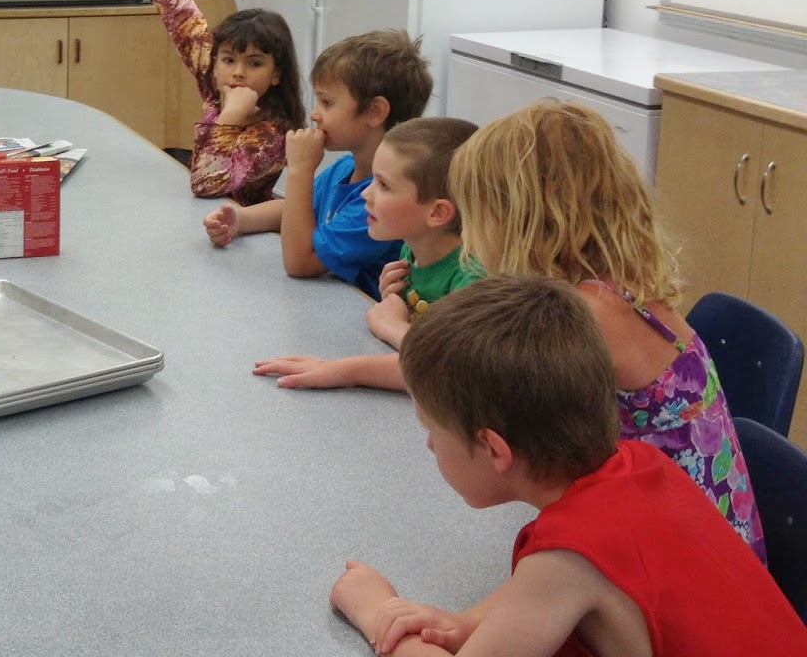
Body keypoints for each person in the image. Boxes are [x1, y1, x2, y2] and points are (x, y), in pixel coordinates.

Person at [329, 275, 807, 656]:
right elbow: (537, 595)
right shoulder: (640, 461)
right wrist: (468, 623)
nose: (430, 446)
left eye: (432, 429)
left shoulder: (570, 558)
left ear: (495, 449)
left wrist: (377, 612)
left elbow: (553, 580)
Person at [450, 99, 764, 562]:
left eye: (473, 216)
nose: (467, 238)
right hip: (699, 531)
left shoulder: (585, 314)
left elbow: (468, 387)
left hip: (687, 560)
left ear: (519, 217)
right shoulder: (617, 286)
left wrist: (394, 329)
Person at [253, 117, 483, 389]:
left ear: (437, 213)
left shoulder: (474, 281)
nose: (366, 194)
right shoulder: (411, 250)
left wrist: (389, 331)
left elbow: (450, 373)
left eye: (384, 185)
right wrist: (395, 304)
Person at [203, 29, 432, 298]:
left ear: (375, 111)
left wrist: (300, 170)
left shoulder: (381, 200)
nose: (314, 114)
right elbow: (296, 207)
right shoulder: (345, 168)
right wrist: (241, 219)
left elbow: (300, 262)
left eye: (326, 102)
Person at [147, 0, 303, 206]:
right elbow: (184, 20)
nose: (238, 72)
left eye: (255, 63)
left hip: (241, 227)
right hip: (200, 215)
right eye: (229, 60)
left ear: (276, 74)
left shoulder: (274, 134)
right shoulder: (218, 78)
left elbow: (205, 183)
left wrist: (230, 116)